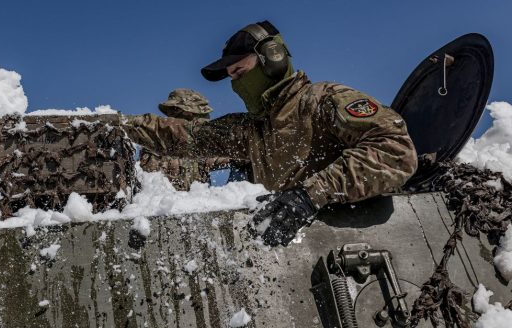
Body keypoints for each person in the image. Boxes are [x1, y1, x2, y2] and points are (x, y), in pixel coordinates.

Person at [122, 20, 417, 245]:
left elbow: (395, 150)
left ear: (271, 58)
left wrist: (310, 195)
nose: (237, 84)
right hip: (296, 254)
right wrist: (119, 124)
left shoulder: (322, 100)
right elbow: (186, 136)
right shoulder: (253, 129)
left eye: (239, 72)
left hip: (354, 248)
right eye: (231, 78)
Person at [139, 89, 235, 191]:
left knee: (244, 160)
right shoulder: (156, 144)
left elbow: (223, 157)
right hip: (168, 204)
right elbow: (150, 187)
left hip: (199, 202)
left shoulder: (200, 144)